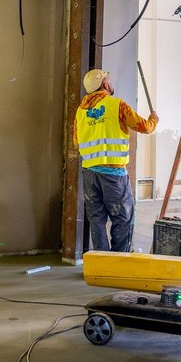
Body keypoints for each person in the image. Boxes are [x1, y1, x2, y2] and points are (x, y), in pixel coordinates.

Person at [75, 69, 158, 252]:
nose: (110, 82)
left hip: (89, 174)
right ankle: (119, 261)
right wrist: (153, 120)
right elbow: (144, 127)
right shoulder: (117, 105)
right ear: (104, 84)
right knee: (123, 218)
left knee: (96, 219)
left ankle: (102, 262)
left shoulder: (80, 112)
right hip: (113, 176)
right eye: (108, 79)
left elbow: (76, 141)